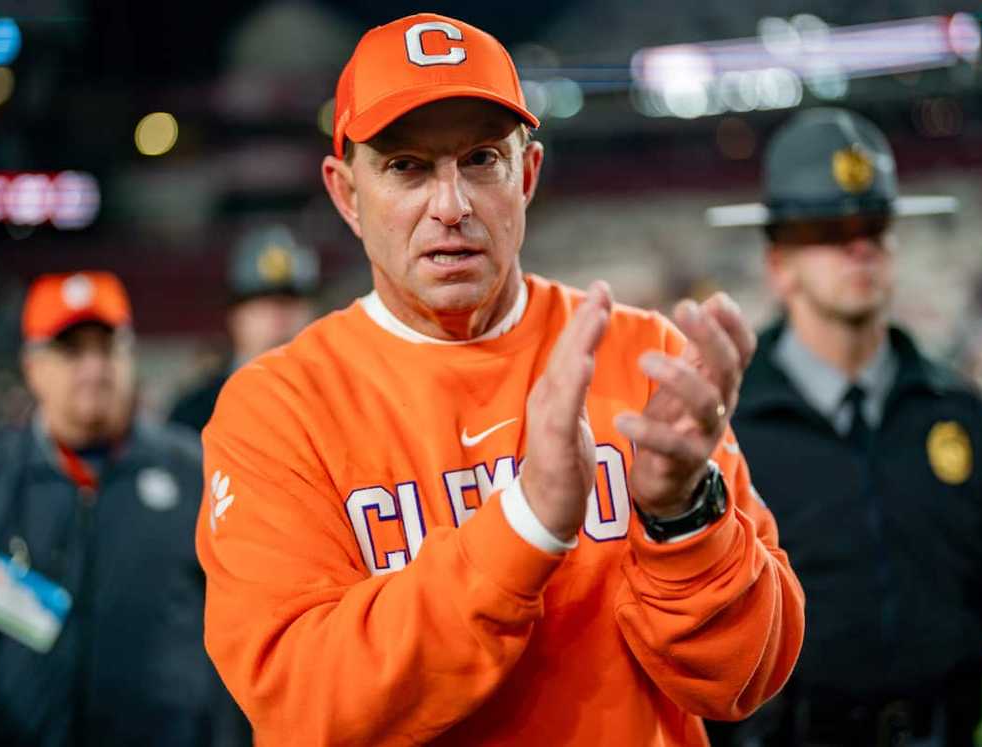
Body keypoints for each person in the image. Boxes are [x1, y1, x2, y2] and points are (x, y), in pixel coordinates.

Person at [196, 12, 805, 746]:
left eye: (482, 159)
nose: (450, 206)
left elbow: (746, 675)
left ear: (528, 174)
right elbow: (304, 705)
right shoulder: (277, 410)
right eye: (406, 166)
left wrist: (683, 515)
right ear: (346, 194)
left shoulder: (646, 358)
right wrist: (527, 524)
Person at [706, 108, 982, 746]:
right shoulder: (722, 429)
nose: (860, 245)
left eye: (875, 223)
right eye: (829, 228)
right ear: (779, 265)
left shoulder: (963, 414)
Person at [0, 271, 242, 746]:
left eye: (107, 348)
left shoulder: (195, 471)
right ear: (32, 366)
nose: (93, 368)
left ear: (131, 356)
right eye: (71, 351)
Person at [169, 224, 320, 432]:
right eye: (263, 303)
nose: (279, 319)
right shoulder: (196, 413)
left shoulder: (340, 402)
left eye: (290, 303)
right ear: (235, 315)